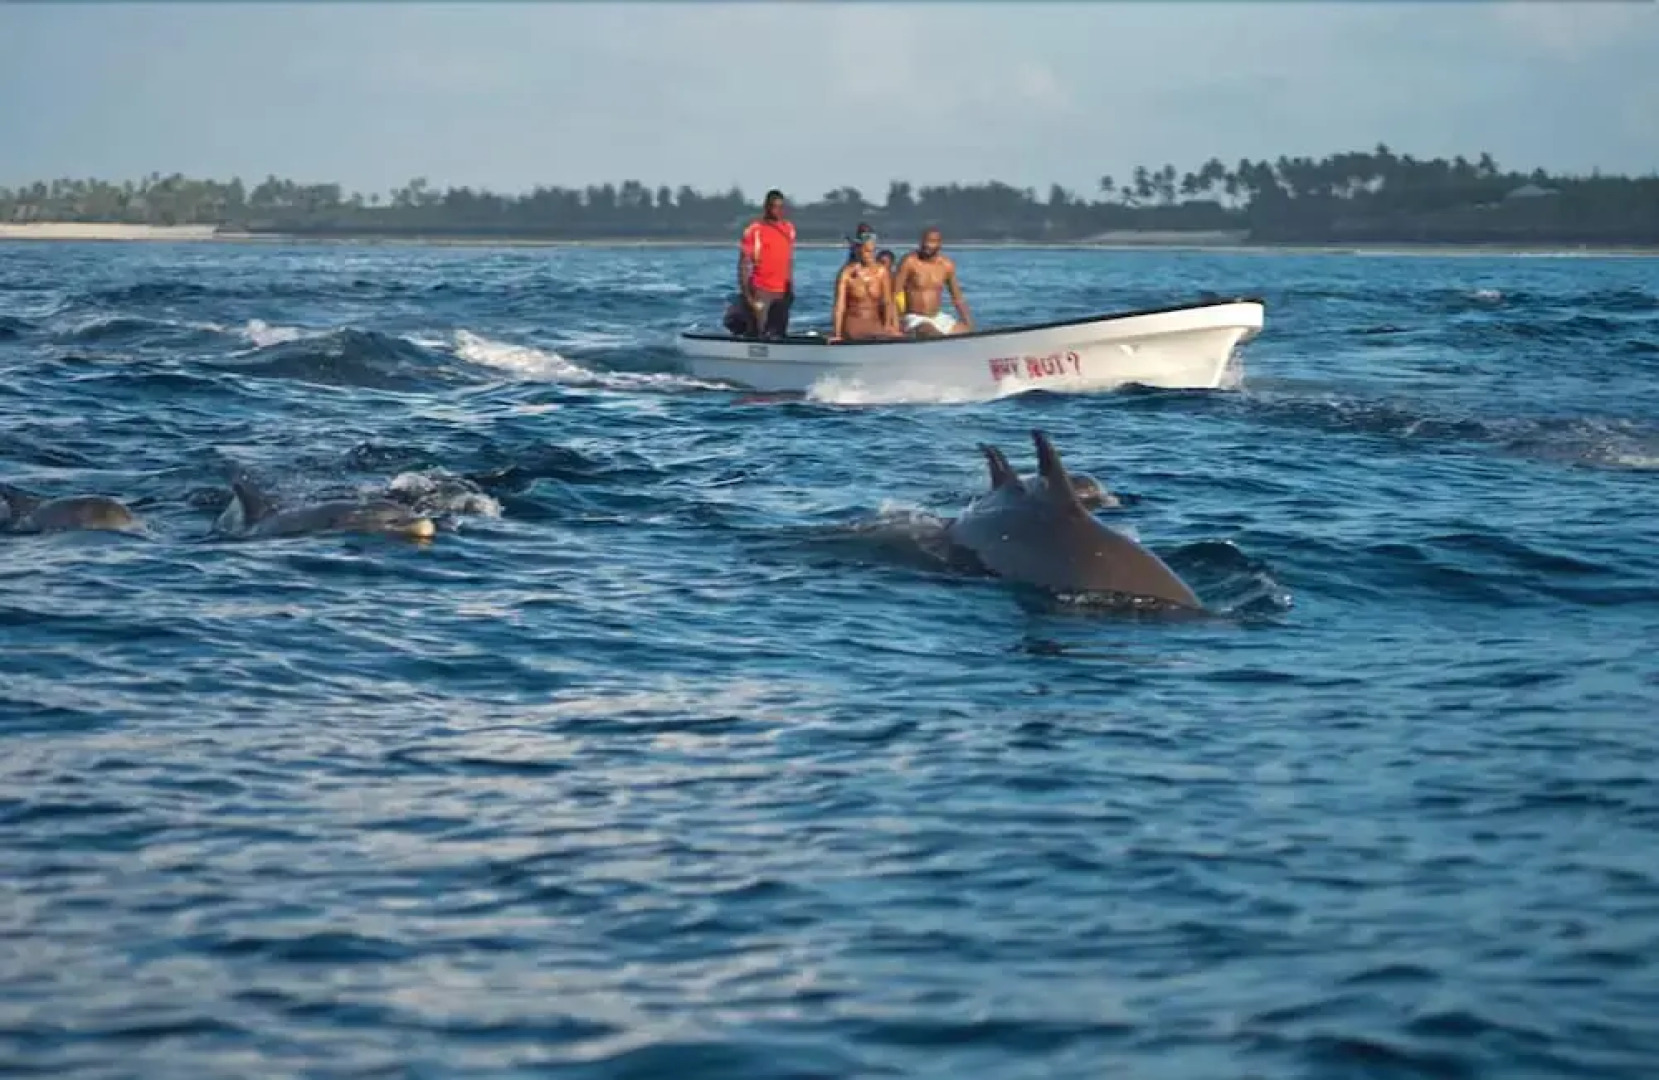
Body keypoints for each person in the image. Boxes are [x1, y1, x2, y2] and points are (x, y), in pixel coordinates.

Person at [734, 189, 796, 339]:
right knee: (760, 332)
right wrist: (748, 296)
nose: (778, 211)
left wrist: (790, 287)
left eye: (781, 207)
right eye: (774, 207)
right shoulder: (755, 231)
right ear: (766, 207)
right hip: (761, 290)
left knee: (779, 332)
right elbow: (744, 265)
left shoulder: (788, 229)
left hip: (782, 291)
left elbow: (788, 260)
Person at [892, 226, 972, 336]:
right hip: (916, 318)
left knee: (964, 332)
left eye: (931, 241)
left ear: (939, 244)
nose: (927, 245)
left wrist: (969, 326)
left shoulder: (946, 265)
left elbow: (957, 298)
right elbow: (892, 295)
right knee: (930, 330)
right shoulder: (910, 262)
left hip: (937, 317)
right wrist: (896, 323)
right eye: (925, 241)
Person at [830, 224, 900, 343]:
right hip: (854, 324)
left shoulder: (882, 272)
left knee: (889, 336)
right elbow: (839, 306)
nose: (870, 256)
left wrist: (889, 326)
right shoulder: (847, 273)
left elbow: (888, 302)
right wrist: (837, 334)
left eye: (872, 252)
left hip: (875, 324)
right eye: (867, 251)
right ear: (858, 250)